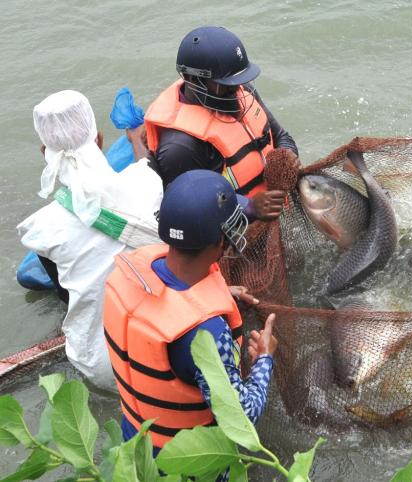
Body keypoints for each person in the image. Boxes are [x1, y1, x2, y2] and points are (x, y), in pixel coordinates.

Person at [103, 169, 278, 452]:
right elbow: (243, 418)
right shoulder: (207, 332)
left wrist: (223, 294)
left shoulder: (127, 276)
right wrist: (265, 359)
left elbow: (164, 304)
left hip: (136, 448)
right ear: (221, 241)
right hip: (185, 464)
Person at [17, 90, 163, 389]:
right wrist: (136, 138)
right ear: (98, 140)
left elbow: (65, 295)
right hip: (159, 357)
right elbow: (145, 166)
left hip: (100, 368)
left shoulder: (43, 228)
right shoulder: (147, 185)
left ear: (44, 151)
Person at [145, 26, 300, 221]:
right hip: (237, 233)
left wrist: (288, 156)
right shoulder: (180, 147)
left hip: (274, 212)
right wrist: (250, 209)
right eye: (226, 84)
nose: (236, 89)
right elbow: (193, 210)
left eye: (238, 80)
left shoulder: (241, 92)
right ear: (193, 79)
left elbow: (281, 136)